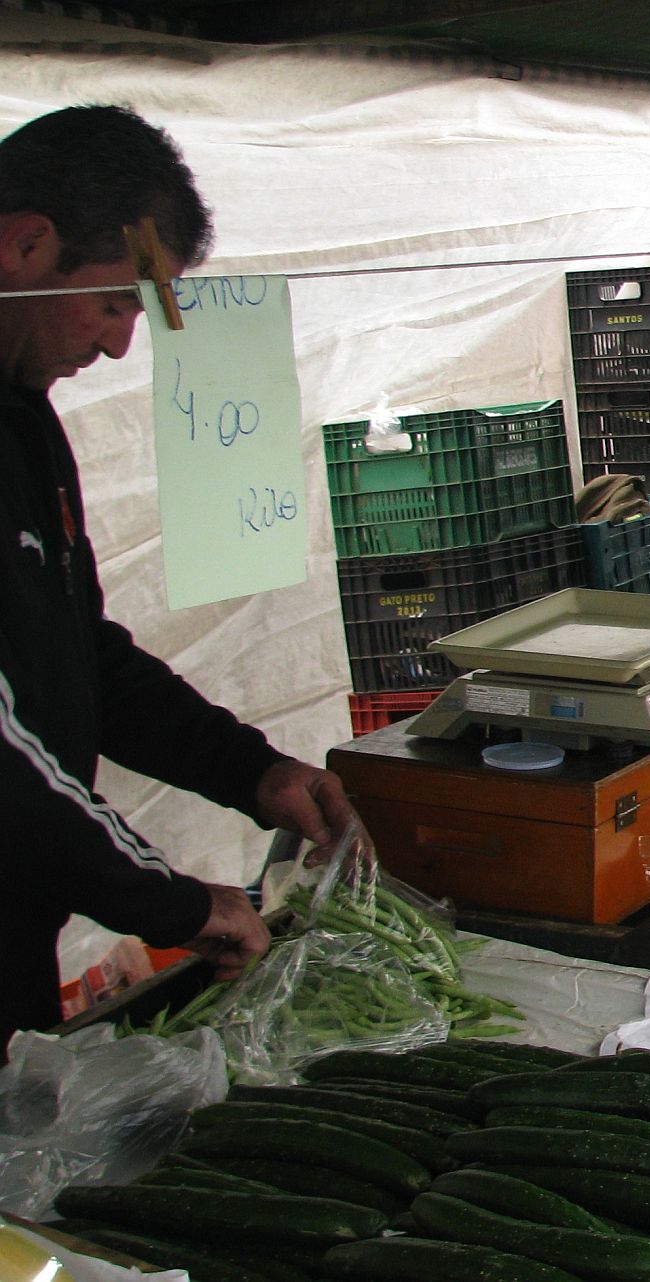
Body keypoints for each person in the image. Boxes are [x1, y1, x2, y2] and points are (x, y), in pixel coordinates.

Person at [0, 105, 357, 1047]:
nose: (120, 345)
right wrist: (165, 900)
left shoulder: (28, 424)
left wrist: (250, 771)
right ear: (26, 244)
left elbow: (84, 656)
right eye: (115, 303)